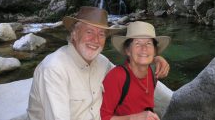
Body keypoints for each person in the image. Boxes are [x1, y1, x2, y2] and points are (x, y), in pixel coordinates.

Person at [27, 6, 170, 120]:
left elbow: (129, 72)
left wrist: (153, 59)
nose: (95, 40)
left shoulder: (101, 62)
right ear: (74, 34)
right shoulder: (54, 69)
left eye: (101, 34)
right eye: (89, 32)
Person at [100, 21, 171, 120]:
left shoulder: (154, 71)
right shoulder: (117, 77)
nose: (144, 48)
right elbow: (103, 117)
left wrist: (157, 59)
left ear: (155, 50)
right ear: (127, 50)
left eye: (149, 43)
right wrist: (134, 118)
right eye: (137, 43)